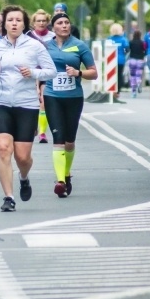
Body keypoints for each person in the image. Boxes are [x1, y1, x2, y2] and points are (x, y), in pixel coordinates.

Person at [0, 5, 57, 212]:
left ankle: (23, 177)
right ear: (4, 23)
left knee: (22, 157)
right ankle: (8, 197)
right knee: (3, 148)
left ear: (24, 24)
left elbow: (51, 71)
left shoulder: (35, 46)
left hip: (26, 105)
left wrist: (32, 72)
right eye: (10, 20)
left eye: (18, 20)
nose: (14, 23)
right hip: (0, 103)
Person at [43, 12, 98, 197]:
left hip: (73, 97)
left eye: (67, 22)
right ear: (53, 28)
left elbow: (94, 73)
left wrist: (78, 73)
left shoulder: (79, 45)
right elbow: (38, 70)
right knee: (57, 138)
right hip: (52, 96)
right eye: (60, 23)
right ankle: (59, 181)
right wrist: (38, 89)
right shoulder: (46, 46)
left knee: (69, 140)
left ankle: (66, 175)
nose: (64, 25)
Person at [31, 9, 55, 144]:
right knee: (32, 101)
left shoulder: (53, 36)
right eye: (38, 21)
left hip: (47, 73)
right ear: (33, 23)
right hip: (32, 73)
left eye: (44, 21)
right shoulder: (28, 36)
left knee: (43, 103)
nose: (41, 23)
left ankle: (42, 133)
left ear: (47, 22)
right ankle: (32, 125)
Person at [107, 23, 128, 100]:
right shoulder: (123, 39)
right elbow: (127, 49)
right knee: (119, 76)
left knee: (111, 75)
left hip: (110, 60)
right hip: (120, 60)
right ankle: (118, 91)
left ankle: (112, 90)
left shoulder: (109, 39)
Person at [127, 30, 146, 98]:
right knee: (138, 75)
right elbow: (145, 50)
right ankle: (138, 83)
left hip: (132, 60)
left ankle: (133, 92)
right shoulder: (142, 42)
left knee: (132, 76)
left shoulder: (131, 42)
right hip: (140, 61)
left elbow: (127, 50)